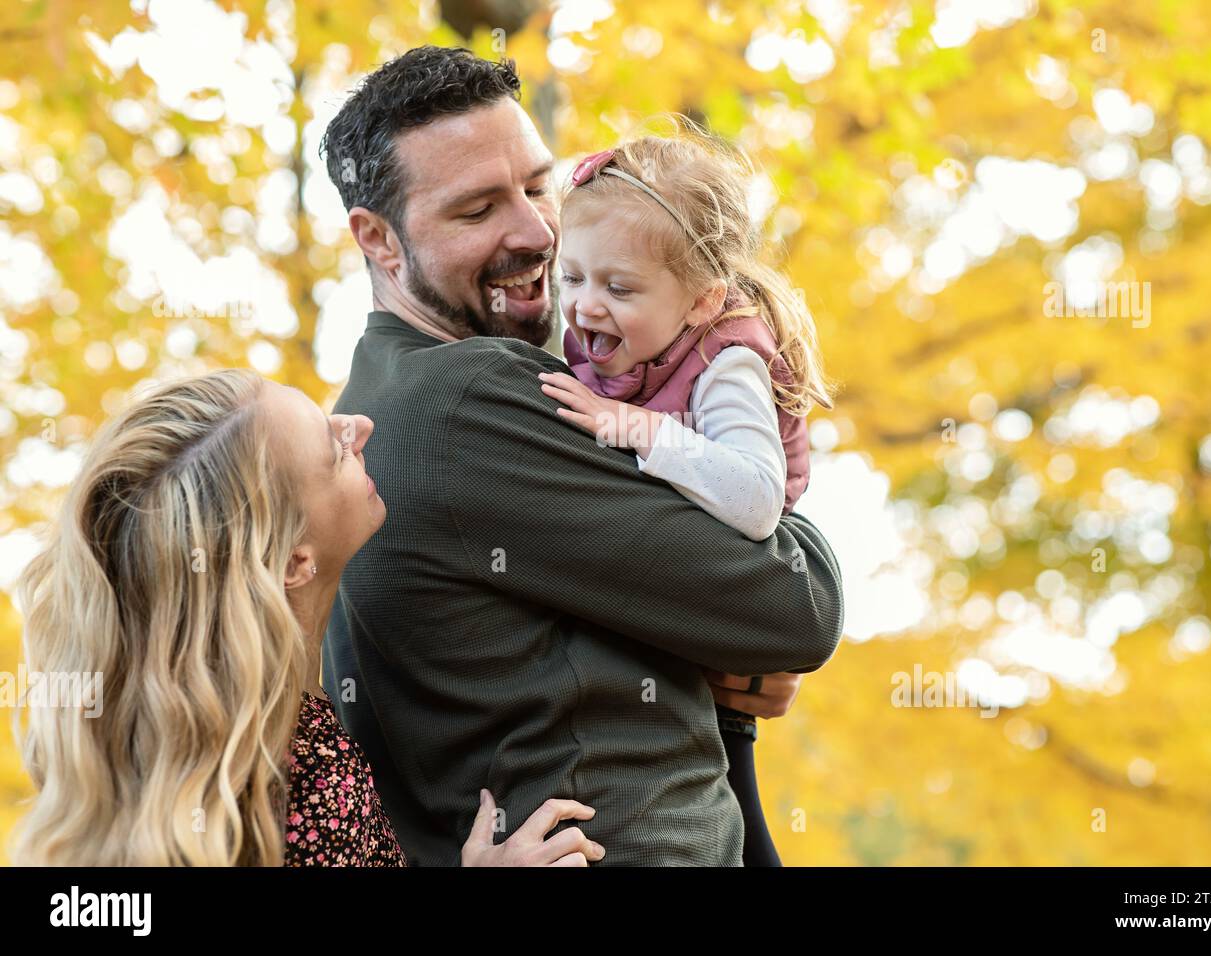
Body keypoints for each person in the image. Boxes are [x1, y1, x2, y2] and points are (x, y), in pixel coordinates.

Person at [319, 45, 845, 866]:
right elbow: (795, 605)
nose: (535, 232)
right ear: (379, 240)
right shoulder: (469, 394)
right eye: (476, 211)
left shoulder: (362, 408)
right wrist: (780, 547)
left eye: (536, 186)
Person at [9, 370, 604, 867]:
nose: (360, 426)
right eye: (333, 448)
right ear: (296, 563)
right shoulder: (307, 781)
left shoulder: (257, 742)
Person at [538, 124, 835, 866]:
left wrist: (639, 430)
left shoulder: (725, 359)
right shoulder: (613, 336)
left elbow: (758, 498)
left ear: (701, 300)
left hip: (722, 608)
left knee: (733, 800)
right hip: (670, 619)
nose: (584, 307)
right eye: (571, 278)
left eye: (618, 288)